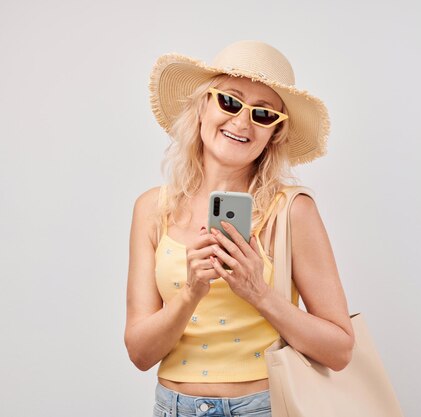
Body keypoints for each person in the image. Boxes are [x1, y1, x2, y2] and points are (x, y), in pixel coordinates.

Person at [124, 40, 355, 417]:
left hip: (261, 408)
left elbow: (340, 350)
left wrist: (258, 292)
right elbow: (139, 353)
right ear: (202, 106)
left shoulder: (291, 211)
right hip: (173, 407)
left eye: (263, 114)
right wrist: (190, 292)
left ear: (274, 134)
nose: (242, 122)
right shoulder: (152, 209)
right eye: (229, 102)